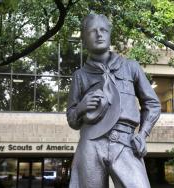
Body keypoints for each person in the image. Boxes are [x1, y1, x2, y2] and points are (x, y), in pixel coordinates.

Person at [66, 14, 161, 188]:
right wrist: (80, 108)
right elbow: (72, 119)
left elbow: (152, 104)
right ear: (84, 39)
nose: (99, 34)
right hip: (91, 143)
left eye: (103, 30)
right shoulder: (79, 76)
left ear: (110, 34)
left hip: (126, 142)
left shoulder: (131, 67)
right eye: (92, 31)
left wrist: (143, 134)